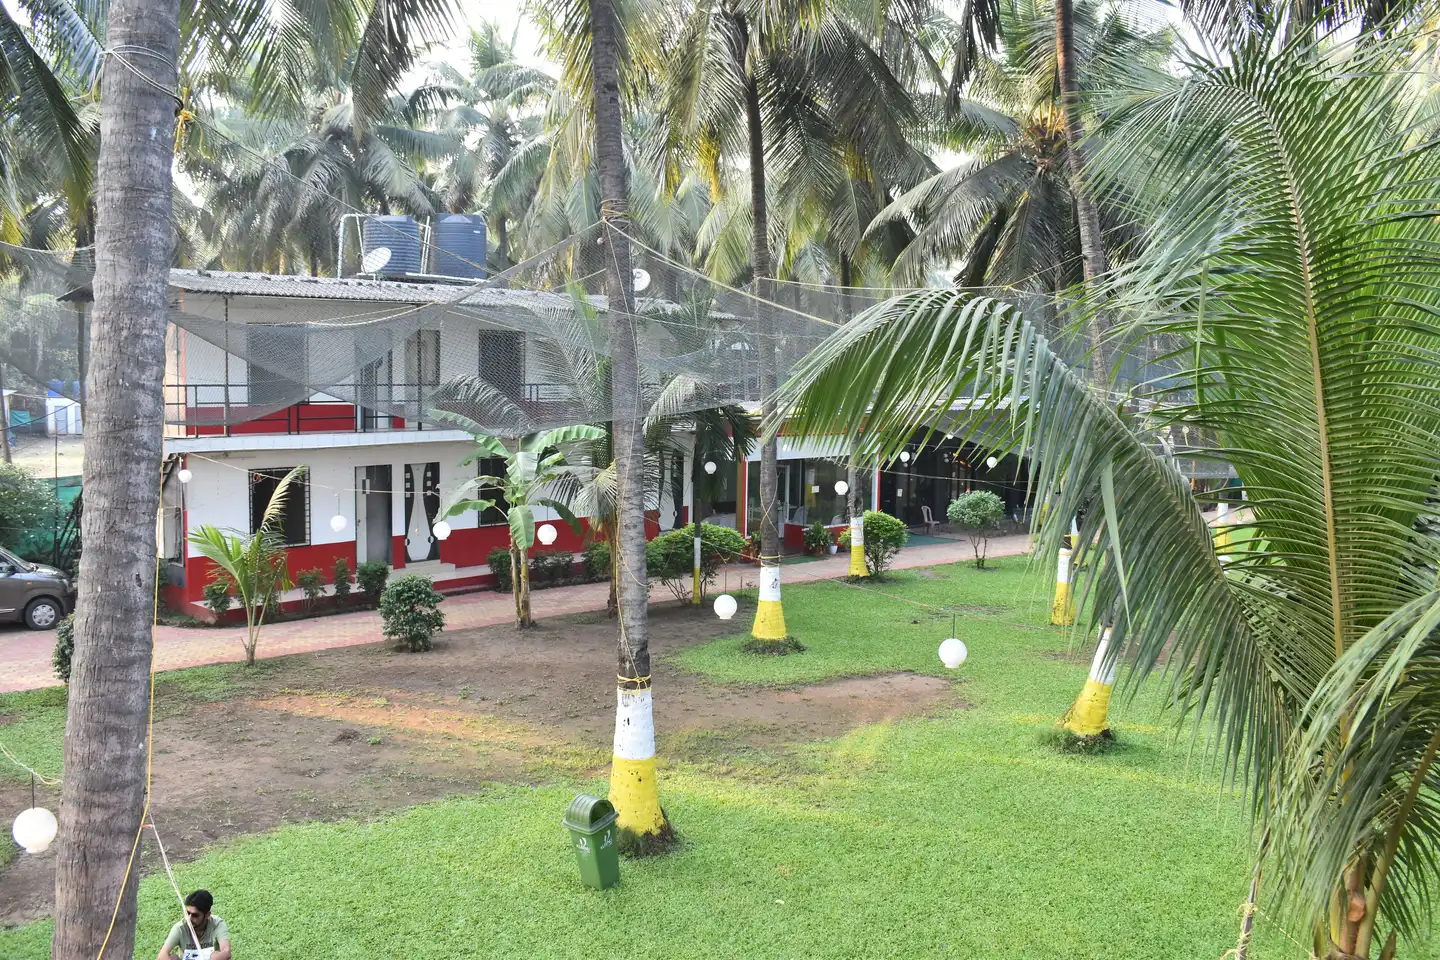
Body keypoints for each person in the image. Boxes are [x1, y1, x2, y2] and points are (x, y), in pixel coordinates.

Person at [158, 889, 231, 960]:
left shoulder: (217, 924)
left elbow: (226, 951)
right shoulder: (180, 928)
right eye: (187, 913)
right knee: (172, 958)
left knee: (217, 957)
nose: (189, 919)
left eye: (195, 915)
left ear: (207, 914)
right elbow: (162, 955)